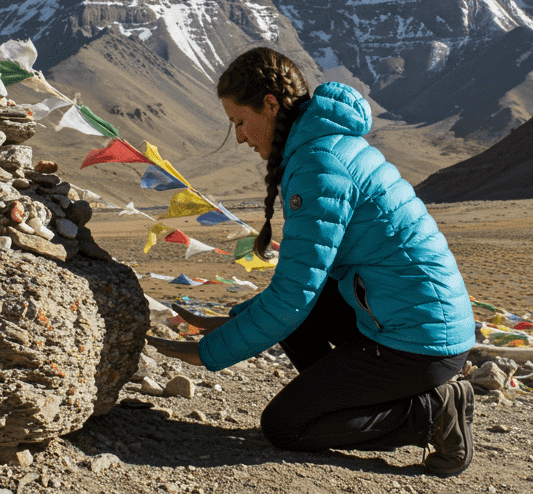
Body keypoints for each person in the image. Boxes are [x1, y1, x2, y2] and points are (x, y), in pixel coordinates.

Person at [146, 46, 478, 476]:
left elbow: (293, 297)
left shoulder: (319, 165)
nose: (242, 137)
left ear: (271, 104)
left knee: (285, 427)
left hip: (418, 341)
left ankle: (432, 411)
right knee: (296, 320)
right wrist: (232, 320)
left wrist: (206, 353)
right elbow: (304, 287)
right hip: (406, 315)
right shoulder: (324, 146)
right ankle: (360, 399)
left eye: (240, 123)